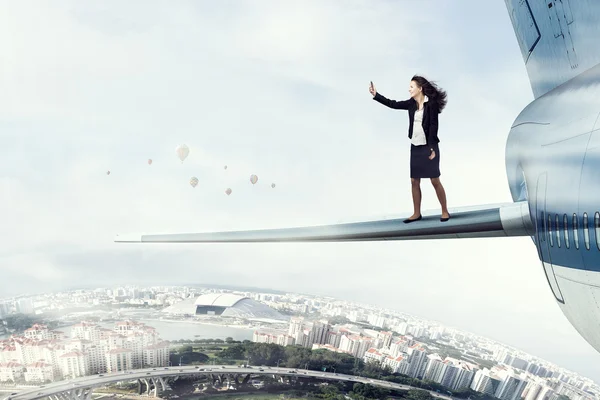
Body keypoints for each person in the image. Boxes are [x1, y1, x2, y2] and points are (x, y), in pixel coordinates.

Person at [369, 76, 450, 223]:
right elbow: (393, 104)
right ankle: (416, 213)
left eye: (412, 86)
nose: (409, 89)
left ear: (420, 88)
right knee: (414, 181)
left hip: (429, 146)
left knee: (434, 180)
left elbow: (433, 127)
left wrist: (432, 148)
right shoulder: (411, 104)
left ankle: (445, 211)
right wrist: (376, 95)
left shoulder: (431, 105)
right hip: (415, 146)